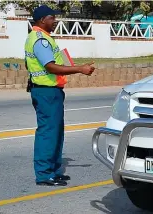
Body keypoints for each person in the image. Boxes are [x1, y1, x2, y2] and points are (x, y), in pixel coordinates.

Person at [26, 5, 95, 186]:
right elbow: (51, 66)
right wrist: (80, 69)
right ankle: (44, 174)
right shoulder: (40, 40)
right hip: (46, 91)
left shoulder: (43, 38)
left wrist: (77, 66)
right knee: (48, 132)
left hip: (50, 90)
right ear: (42, 20)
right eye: (52, 18)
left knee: (56, 131)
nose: (55, 21)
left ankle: (54, 170)